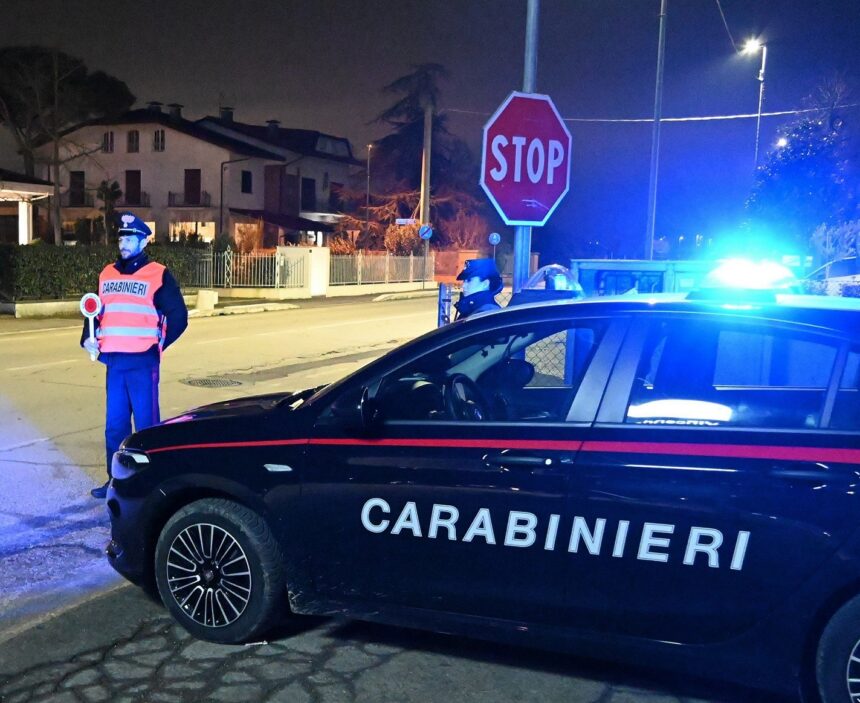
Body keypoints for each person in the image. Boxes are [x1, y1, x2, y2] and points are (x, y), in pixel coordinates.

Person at [82, 213, 188, 498]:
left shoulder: (158, 274)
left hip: (142, 361)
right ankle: (115, 482)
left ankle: (150, 484)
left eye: (130, 238)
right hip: (114, 362)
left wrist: (157, 344)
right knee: (114, 428)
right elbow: (94, 311)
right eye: (121, 238)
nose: (124, 243)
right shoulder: (107, 273)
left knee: (146, 427)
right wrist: (87, 338)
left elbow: (179, 316)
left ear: (143, 241)